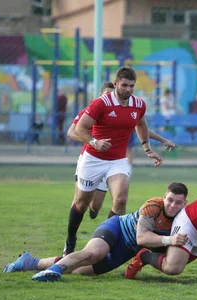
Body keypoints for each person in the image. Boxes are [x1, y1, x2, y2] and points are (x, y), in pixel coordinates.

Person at [64, 66, 163, 256]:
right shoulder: (100, 103)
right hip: (93, 159)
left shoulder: (139, 104)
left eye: (132, 86)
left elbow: (141, 124)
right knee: (82, 203)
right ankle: (70, 241)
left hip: (118, 160)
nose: (128, 89)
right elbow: (80, 128)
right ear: (116, 83)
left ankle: (106, 243)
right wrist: (94, 142)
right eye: (124, 85)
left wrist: (147, 149)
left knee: (121, 199)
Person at [3, 182, 190, 282]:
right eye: (170, 200)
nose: (173, 205)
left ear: (185, 203)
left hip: (126, 250)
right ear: (164, 197)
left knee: (79, 271)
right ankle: (53, 270)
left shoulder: (182, 217)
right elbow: (142, 238)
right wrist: (170, 240)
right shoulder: (153, 205)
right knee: (93, 254)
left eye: (178, 202)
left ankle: (29, 262)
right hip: (117, 229)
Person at [67, 82, 177, 220]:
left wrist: (162, 140)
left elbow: (141, 128)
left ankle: (104, 228)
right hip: (90, 158)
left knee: (96, 205)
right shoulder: (92, 108)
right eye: (106, 94)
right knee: (79, 200)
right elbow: (71, 132)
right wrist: (93, 142)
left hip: (113, 160)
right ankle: (71, 237)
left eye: (110, 94)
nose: (109, 97)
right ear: (101, 94)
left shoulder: (123, 109)